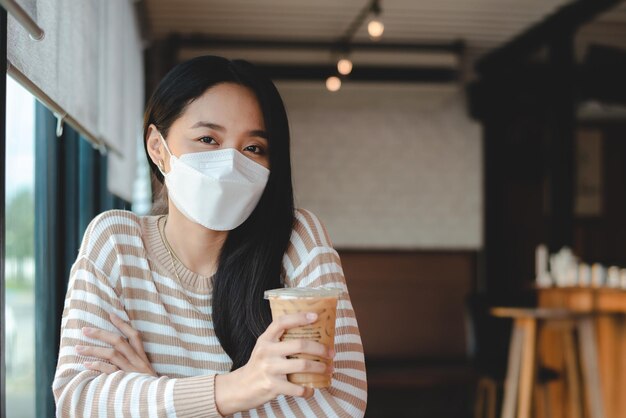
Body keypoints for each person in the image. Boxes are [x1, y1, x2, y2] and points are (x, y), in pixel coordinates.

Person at [52, 56, 367, 417]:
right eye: (207, 139)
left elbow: (341, 404)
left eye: (253, 148)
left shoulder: (296, 239)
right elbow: (78, 400)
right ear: (158, 148)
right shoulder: (116, 243)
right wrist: (239, 387)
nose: (231, 163)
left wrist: (154, 390)